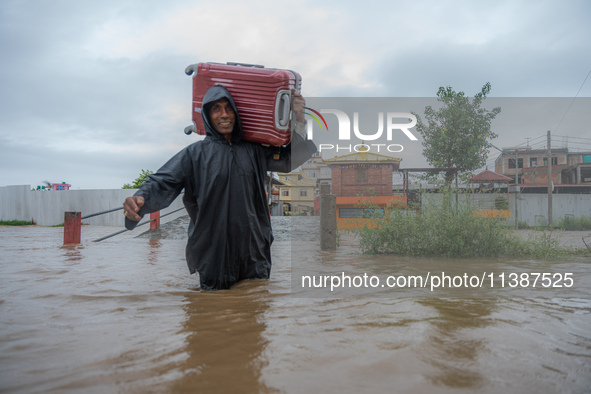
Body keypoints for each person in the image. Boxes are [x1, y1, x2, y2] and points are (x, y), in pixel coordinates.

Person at [123, 84, 317, 290]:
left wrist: (299, 119)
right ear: (207, 115)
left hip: (253, 248)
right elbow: (162, 181)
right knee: (211, 314)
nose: (224, 115)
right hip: (213, 252)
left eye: (228, 108)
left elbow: (290, 159)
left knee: (255, 307)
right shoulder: (194, 154)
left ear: (236, 112)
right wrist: (140, 198)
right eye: (216, 109)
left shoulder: (255, 150)